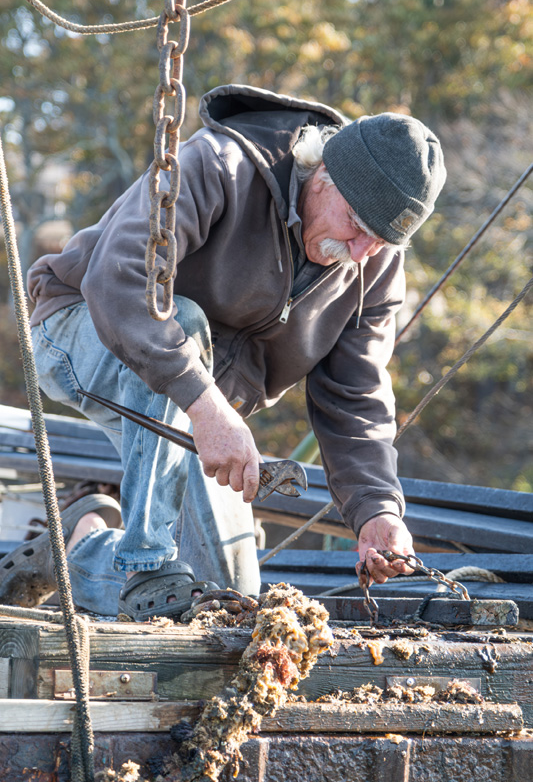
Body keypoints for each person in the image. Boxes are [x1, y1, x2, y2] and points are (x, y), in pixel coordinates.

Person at [0, 84, 446, 620]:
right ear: (324, 174)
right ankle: (147, 564)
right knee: (180, 320)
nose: (360, 252)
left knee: (226, 601)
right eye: (356, 225)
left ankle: (82, 549)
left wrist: (377, 510)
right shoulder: (217, 164)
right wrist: (206, 405)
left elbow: (357, 397)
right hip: (79, 327)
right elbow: (122, 284)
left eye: (382, 241)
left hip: (195, 400)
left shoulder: (372, 265)